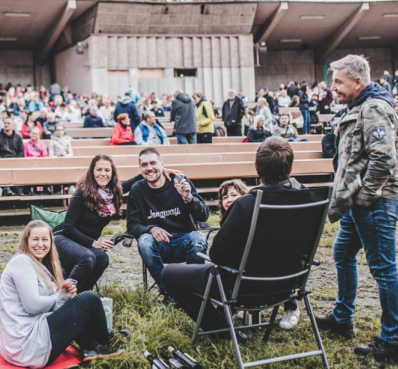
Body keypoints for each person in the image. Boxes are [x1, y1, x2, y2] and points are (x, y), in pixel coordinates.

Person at [162, 138, 308, 336]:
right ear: (290, 169)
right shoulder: (308, 199)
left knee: (168, 274)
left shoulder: (246, 204)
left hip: (243, 288)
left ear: (257, 168)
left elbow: (217, 256)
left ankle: (221, 328)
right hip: (288, 285)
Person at [317, 55, 398, 362]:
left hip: (377, 201)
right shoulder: (358, 107)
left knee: (383, 269)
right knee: (342, 253)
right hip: (359, 203)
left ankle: (394, 340)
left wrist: (366, 197)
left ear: (358, 82)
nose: (333, 88)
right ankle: (342, 318)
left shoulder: (374, 109)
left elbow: (384, 160)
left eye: (338, 82)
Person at [0, 221, 125, 368]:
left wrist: (64, 296)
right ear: (26, 241)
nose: (40, 244)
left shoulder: (41, 265)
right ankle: (106, 338)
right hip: (26, 345)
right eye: (35, 239)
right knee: (89, 299)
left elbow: (52, 308)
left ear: (51, 242)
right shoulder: (22, 262)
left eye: (45, 240)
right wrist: (59, 296)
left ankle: (91, 347)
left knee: (76, 303)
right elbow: (32, 306)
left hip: (28, 343)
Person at [53, 155, 149, 293]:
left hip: (82, 244)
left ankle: (81, 295)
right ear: (92, 172)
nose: (103, 174)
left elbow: (138, 178)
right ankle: (62, 297)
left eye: (107, 170)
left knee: (102, 258)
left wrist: (162, 169)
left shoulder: (111, 193)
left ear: (112, 173)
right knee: (88, 257)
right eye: (99, 170)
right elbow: (68, 227)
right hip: (62, 239)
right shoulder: (82, 193)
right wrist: (94, 243)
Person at [127, 147, 209, 299]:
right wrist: (150, 228)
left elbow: (203, 215)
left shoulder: (179, 181)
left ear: (162, 165)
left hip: (184, 240)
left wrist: (188, 198)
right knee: (144, 241)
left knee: (198, 238)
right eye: (144, 165)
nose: (149, 168)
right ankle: (170, 293)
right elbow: (132, 225)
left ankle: (191, 293)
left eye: (153, 163)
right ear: (140, 169)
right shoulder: (137, 189)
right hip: (158, 245)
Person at [0, 117, 25, 196]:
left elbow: (21, 152)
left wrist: (15, 160)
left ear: (12, 125)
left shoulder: (18, 137)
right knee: (2, 170)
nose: (6, 125)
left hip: (15, 161)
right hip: (1, 161)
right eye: (5, 123)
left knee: (21, 169)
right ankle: (6, 188)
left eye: (8, 123)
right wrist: (2, 161)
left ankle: (19, 189)